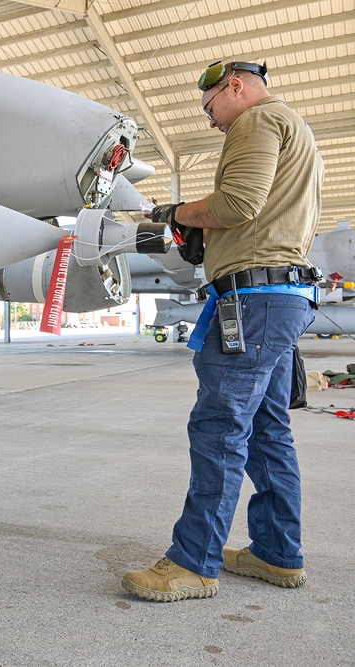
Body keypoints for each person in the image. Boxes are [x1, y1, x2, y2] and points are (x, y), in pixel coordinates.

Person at [122, 59, 324, 601]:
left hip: (253, 301)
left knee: (219, 427)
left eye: (210, 109)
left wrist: (177, 214)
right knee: (267, 430)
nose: (212, 122)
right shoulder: (295, 129)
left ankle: (193, 562)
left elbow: (237, 204)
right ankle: (277, 553)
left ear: (234, 87)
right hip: (280, 297)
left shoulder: (257, 122)